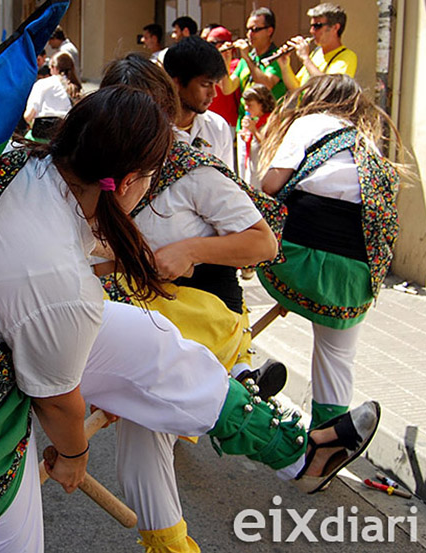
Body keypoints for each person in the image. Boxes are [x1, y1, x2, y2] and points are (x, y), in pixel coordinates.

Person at [0, 85, 379, 552]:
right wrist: (74, 457)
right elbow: (57, 399)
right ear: (126, 179)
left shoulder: (14, 160)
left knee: (154, 339)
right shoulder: (56, 282)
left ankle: (296, 452)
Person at [97, 55, 287, 551]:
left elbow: (263, 244)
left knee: (145, 415)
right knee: (143, 427)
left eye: (142, 119)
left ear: (165, 114)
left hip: (193, 321)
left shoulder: (194, 168)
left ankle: (298, 447)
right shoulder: (106, 165)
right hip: (138, 319)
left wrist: (192, 249)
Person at [259, 74, 399, 429]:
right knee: (337, 354)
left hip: (294, 261)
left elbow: (270, 185)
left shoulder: (311, 122)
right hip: (356, 279)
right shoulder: (368, 142)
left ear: (316, 98)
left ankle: (238, 367)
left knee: (230, 277)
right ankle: (329, 438)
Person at [163, 36, 234, 166]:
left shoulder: (218, 127)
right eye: (205, 84)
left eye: (215, 84)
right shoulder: (151, 129)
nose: (213, 93)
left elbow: (226, 182)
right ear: (176, 83)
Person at [220, 8, 287, 128]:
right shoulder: (247, 59)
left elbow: (266, 85)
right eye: (248, 29)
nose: (250, 34)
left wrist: (247, 57)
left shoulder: (277, 57)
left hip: (268, 125)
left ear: (269, 31)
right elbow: (227, 88)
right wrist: (226, 61)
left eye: (255, 30)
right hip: (245, 124)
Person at [280, 3, 357, 90]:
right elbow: (296, 88)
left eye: (317, 26)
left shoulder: (347, 57)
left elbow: (329, 88)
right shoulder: (316, 53)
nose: (311, 31)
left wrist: (305, 58)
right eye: (311, 26)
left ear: (335, 27)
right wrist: (285, 66)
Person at [22, 51, 82, 140]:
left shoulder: (42, 84)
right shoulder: (76, 89)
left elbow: (29, 115)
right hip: (66, 137)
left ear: (54, 68)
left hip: (41, 136)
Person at [238, 83, 276, 188]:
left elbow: (269, 145)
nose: (246, 108)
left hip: (263, 173)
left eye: (250, 105)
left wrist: (253, 130)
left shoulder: (272, 120)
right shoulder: (257, 120)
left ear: (261, 104)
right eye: (245, 104)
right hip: (253, 170)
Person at [204, 26, 241, 127]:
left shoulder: (236, 64)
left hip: (228, 122)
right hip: (207, 120)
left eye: (212, 44)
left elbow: (225, 87)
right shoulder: (206, 65)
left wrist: (225, 60)